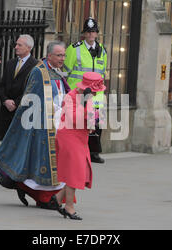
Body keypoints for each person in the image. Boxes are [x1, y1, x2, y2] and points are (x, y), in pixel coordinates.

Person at [0, 41, 71, 210]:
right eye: (59, 55)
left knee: (58, 162)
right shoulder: (39, 72)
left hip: (58, 124)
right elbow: (32, 98)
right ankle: (42, 197)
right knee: (42, 162)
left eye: (63, 55)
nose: (62, 58)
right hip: (41, 125)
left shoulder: (58, 72)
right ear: (49, 55)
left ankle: (51, 196)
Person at [55, 72, 105, 220]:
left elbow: (94, 120)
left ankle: (57, 199)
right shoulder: (70, 96)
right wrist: (86, 108)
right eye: (95, 90)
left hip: (81, 138)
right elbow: (73, 119)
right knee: (75, 172)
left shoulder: (89, 98)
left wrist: (94, 119)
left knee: (79, 170)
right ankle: (69, 207)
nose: (97, 93)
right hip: (68, 136)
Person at [63, 17, 107, 164]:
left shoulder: (103, 50)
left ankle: (94, 153)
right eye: (88, 32)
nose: (90, 35)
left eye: (93, 32)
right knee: (80, 124)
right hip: (79, 94)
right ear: (84, 34)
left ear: (97, 34)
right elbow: (65, 73)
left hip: (97, 95)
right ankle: (81, 151)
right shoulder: (73, 49)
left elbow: (102, 72)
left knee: (97, 124)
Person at [0, 34, 38, 139]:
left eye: (19, 45)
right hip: (6, 111)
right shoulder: (10, 63)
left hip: (22, 111)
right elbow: (2, 85)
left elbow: (32, 89)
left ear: (28, 48)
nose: (16, 47)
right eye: (16, 45)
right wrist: (5, 100)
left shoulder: (35, 66)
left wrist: (15, 103)